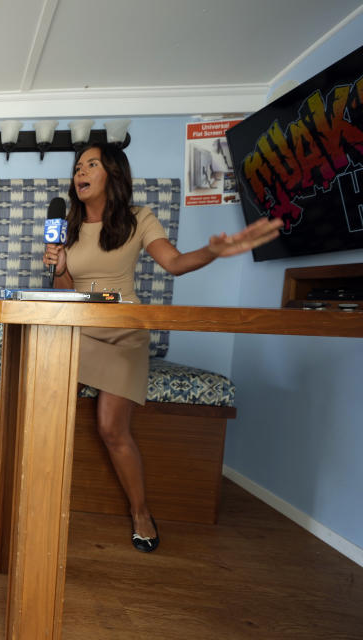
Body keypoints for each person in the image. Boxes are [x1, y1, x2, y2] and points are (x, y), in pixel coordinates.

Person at [44, 143, 282, 552]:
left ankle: (140, 512)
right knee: (43, 402)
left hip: (123, 334)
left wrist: (214, 251)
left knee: (110, 427)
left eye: (91, 164)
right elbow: (64, 294)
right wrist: (61, 269)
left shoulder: (139, 219)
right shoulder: (67, 225)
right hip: (78, 331)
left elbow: (174, 262)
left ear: (113, 175)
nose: (80, 171)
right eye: (77, 166)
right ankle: (44, 505)